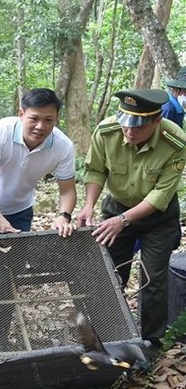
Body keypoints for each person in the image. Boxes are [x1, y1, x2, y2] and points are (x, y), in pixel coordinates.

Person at [77, 89, 186, 346]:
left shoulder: (175, 142)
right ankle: (106, 334)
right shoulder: (106, 131)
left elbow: (160, 195)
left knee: (154, 279)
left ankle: (151, 342)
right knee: (110, 272)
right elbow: (95, 170)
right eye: (126, 123)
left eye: (138, 126)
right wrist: (88, 206)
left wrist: (124, 220)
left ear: (156, 121)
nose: (129, 131)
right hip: (116, 208)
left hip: (157, 217)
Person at [0, 88, 77, 237]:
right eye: (34, 119)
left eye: (48, 120)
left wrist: (64, 216)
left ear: (56, 118)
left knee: (17, 258)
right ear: (21, 114)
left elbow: (67, 190)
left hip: (21, 210)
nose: (40, 126)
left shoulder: (63, 146)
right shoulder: (0, 131)